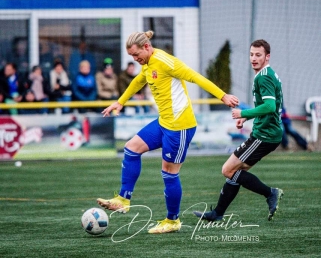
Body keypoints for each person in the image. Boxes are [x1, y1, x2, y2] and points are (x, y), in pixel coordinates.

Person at [97, 30, 239, 234]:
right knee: (131, 149)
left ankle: (172, 221)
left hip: (179, 127)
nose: (135, 60)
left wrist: (222, 96)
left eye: (136, 55)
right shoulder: (148, 63)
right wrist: (120, 102)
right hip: (164, 122)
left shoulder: (166, 61)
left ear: (147, 47)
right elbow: (139, 81)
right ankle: (123, 200)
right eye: (132, 57)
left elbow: (196, 77)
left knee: (169, 173)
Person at [194, 39, 284, 223]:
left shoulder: (264, 76)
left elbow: (269, 106)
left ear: (267, 57)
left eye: (258, 55)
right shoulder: (267, 74)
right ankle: (218, 213)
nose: (253, 58)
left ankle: (270, 193)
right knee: (237, 172)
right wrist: (247, 118)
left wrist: (243, 112)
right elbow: (267, 107)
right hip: (268, 133)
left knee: (228, 170)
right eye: (251, 54)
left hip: (264, 135)